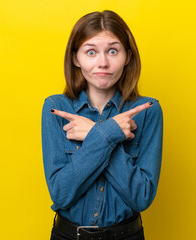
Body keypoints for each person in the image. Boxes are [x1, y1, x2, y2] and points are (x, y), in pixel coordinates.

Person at [42, 10, 163, 240]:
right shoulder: (56, 108)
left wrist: (94, 134)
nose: (103, 63)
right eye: (91, 52)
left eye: (113, 51)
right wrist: (109, 133)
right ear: (76, 58)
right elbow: (60, 192)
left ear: (127, 56)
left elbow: (142, 196)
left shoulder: (148, 111)